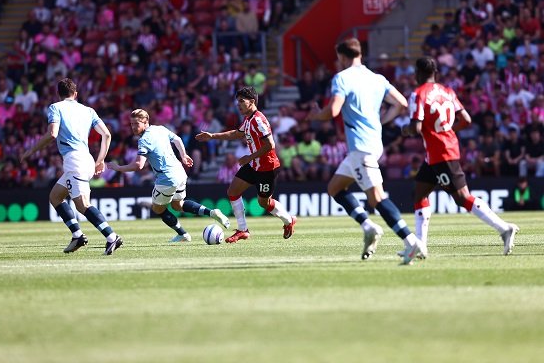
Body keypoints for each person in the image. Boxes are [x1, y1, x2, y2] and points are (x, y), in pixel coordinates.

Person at [306, 38, 424, 264]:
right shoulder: (377, 78)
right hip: (369, 145)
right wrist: (382, 121)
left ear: (342, 56)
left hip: (361, 147)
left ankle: (411, 242)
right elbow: (401, 104)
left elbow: (333, 111)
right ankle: (368, 226)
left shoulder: (342, 78)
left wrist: (315, 115)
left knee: (377, 198)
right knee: (334, 187)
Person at [403, 57, 519, 257]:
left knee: (462, 197)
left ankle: (504, 228)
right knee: (420, 194)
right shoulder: (448, 92)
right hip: (438, 152)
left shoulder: (418, 94)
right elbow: (466, 120)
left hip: (441, 153)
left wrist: (406, 130)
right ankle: (420, 247)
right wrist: (448, 130)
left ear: (419, 73)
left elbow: (416, 128)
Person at [20, 78, 123, 255]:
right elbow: (106, 134)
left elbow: (52, 134)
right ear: (75, 94)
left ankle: (111, 236)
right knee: (55, 197)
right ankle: (77, 236)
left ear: (58, 94)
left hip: (74, 161)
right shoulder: (88, 110)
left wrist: (31, 150)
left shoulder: (55, 107)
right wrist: (100, 160)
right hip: (86, 159)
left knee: (82, 205)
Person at [107, 109, 231, 242]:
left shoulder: (144, 140)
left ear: (146, 122)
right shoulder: (160, 129)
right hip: (180, 173)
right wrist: (183, 155)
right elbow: (177, 139)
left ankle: (182, 234)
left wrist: (118, 168)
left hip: (166, 178)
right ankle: (212, 212)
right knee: (178, 205)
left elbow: (139, 165)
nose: (133, 127)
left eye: (136, 124)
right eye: (131, 124)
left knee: (158, 209)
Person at [195, 86, 297, 243]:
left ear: (252, 101)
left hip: (267, 167)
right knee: (233, 191)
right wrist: (212, 136)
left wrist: (249, 158)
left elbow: (270, 144)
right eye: (237, 102)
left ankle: (289, 220)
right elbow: (236, 133)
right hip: (254, 164)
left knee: (264, 202)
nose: (239, 105)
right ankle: (243, 230)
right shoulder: (248, 120)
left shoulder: (258, 120)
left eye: (242, 101)